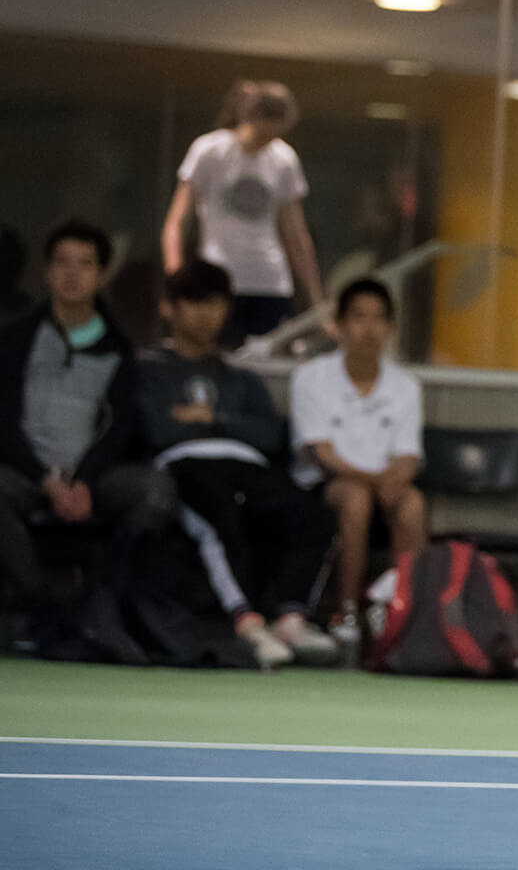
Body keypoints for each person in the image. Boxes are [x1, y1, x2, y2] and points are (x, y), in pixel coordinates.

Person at [137, 259, 339, 668]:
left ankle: (292, 618)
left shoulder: (242, 380)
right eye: (193, 302)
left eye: (214, 302)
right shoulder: (148, 371)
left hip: (248, 467)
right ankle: (247, 623)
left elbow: (267, 436)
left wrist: (210, 419)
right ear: (170, 308)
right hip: (186, 465)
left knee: (310, 513)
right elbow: (156, 431)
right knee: (219, 514)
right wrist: (209, 429)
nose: (204, 313)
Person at [0, 220, 177, 627]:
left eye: (84, 264)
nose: (72, 273)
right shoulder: (16, 340)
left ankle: (103, 598)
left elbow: (118, 427)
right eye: (62, 262)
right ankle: (39, 598)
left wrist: (85, 479)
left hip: (91, 479)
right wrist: (45, 478)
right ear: (47, 272)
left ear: (101, 274)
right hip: (28, 475)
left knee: (155, 491)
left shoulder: (119, 349)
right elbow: (4, 422)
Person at [288, 279, 425, 632]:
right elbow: (323, 454)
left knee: (413, 504)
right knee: (355, 498)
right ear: (339, 325)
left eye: (379, 319)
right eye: (359, 317)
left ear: (391, 328)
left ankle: (409, 618)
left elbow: (408, 456)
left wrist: (394, 480)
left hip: (386, 488)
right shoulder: (310, 377)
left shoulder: (405, 386)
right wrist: (377, 480)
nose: (369, 329)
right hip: (324, 489)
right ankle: (345, 614)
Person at [162, 80, 326, 348]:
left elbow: (297, 236)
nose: (269, 141)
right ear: (252, 119)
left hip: (271, 281)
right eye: (266, 134)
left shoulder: (283, 159)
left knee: (265, 364)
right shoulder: (210, 151)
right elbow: (177, 223)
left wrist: (316, 302)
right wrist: (176, 285)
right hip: (219, 280)